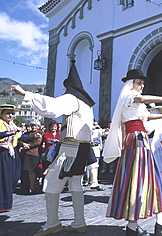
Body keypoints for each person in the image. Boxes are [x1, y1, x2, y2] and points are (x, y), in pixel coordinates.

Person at [11, 59, 96, 236]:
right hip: (83, 148)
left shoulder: (72, 98)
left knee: (51, 180)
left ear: (69, 86)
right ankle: (79, 222)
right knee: (75, 182)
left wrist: (25, 93)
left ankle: (52, 223)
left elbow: (52, 108)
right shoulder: (87, 105)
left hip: (71, 147)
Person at [102, 69, 162, 236]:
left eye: (143, 83)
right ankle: (137, 226)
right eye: (139, 82)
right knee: (139, 180)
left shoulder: (134, 103)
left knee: (147, 180)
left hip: (140, 140)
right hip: (135, 140)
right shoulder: (128, 96)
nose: (141, 85)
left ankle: (157, 222)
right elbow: (141, 99)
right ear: (131, 83)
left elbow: (148, 116)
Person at [0, 104, 22, 213]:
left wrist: (34, 136)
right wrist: (9, 132)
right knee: (4, 178)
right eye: (7, 113)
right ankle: (3, 203)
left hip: (12, 152)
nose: (10, 115)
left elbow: (19, 137)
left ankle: (7, 201)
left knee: (14, 176)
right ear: (2, 114)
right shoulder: (0, 123)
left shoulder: (12, 125)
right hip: (2, 152)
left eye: (12, 113)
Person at [18, 122, 43, 194]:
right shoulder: (27, 133)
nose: (33, 127)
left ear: (38, 126)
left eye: (35, 125)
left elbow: (38, 142)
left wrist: (28, 145)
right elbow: (19, 139)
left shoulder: (40, 133)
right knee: (27, 171)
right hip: (26, 154)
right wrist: (23, 144)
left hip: (35, 153)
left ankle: (32, 187)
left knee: (32, 171)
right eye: (32, 125)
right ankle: (27, 186)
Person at [85, 121, 104, 190]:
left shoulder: (97, 130)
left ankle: (94, 182)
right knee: (83, 166)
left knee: (94, 164)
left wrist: (98, 128)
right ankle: (84, 182)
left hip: (93, 147)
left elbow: (101, 135)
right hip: (84, 144)